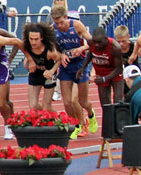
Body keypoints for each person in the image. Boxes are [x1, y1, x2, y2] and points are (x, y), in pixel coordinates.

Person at [51, 6, 96, 139]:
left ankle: (91, 114)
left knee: (81, 101)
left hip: (80, 66)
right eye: (56, 23)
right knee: (67, 102)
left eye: (61, 22)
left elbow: (92, 42)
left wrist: (82, 48)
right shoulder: (52, 30)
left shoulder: (77, 25)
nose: (59, 25)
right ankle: (77, 125)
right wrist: (60, 55)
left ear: (66, 18)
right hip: (66, 67)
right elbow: (53, 49)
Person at [79, 27, 123, 119]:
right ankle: (109, 127)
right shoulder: (91, 42)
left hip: (114, 73)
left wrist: (104, 78)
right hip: (101, 73)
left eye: (99, 42)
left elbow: (119, 68)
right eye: (95, 42)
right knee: (105, 105)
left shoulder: (115, 47)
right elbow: (91, 53)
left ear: (106, 39)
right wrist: (83, 67)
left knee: (118, 102)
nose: (97, 45)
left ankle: (118, 126)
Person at [22, 22, 61, 112]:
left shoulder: (50, 52)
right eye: (31, 39)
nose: (33, 42)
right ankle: (53, 116)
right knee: (33, 105)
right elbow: (22, 48)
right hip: (35, 74)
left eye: (36, 39)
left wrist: (52, 71)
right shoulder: (27, 45)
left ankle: (59, 118)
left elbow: (59, 60)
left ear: (42, 38)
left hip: (48, 76)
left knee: (46, 107)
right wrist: (28, 59)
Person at [114, 26, 138, 94]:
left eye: (123, 41)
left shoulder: (134, 47)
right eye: (118, 41)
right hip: (122, 77)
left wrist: (134, 54)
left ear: (128, 36)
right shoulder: (114, 48)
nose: (121, 44)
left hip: (134, 76)